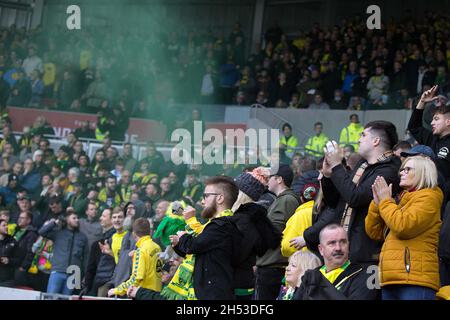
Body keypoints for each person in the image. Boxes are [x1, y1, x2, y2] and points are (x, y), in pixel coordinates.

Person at [321, 121, 401, 265]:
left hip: (365, 252)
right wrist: (328, 175)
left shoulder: (388, 170)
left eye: (363, 135)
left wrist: (337, 166)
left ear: (376, 141)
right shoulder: (362, 165)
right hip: (346, 246)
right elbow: (336, 201)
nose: (358, 139)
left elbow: (355, 197)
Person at [366, 156, 442, 300]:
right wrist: (377, 204)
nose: (401, 172)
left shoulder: (429, 197)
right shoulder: (402, 199)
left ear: (423, 172)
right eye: (402, 169)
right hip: (390, 278)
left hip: (415, 280)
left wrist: (386, 202)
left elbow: (403, 226)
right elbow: (374, 232)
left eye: (408, 169)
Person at [169, 176, 240, 300]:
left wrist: (184, 235)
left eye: (206, 196)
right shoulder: (217, 225)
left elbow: (193, 246)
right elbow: (198, 253)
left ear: (220, 198)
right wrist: (178, 245)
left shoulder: (221, 225)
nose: (202, 201)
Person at [230, 169, 282, 300]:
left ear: (241, 194)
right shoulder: (250, 217)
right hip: (241, 281)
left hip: (237, 284)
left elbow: (237, 254)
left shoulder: (244, 220)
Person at [293, 224, 378, 300]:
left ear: (348, 245)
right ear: (321, 249)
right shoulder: (310, 276)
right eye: (332, 243)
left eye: (343, 242)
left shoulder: (368, 274)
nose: (338, 248)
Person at [255, 164, 301, 300]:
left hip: (273, 267)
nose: (267, 180)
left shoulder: (287, 200)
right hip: (271, 265)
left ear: (279, 179)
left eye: (270, 177)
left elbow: (273, 232)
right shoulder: (282, 200)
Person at [108, 218, 163, 297]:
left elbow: (136, 279)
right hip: (156, 294)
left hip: (144, 295)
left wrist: (117, 290)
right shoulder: (157, 247)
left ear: (134, 234)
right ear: (149, 231)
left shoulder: (141, 251)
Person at [39, 209, 89, 295]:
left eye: (77, 218)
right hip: (57, 271)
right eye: (74, 218)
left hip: (74, 274)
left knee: (67, 298)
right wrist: (55, 222)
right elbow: (42, 232)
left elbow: (85, 258)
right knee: (51, 297)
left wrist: (85, 275)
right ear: (67, 219)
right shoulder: (58, 232)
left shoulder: (83, 237)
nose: (77, 220)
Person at [0, 218, 20, 287]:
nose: (7, 227)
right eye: (4, 225)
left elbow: (19, 260)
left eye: (7, 225)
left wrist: (9, 260)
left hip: (7, 280)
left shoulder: (13, 241)